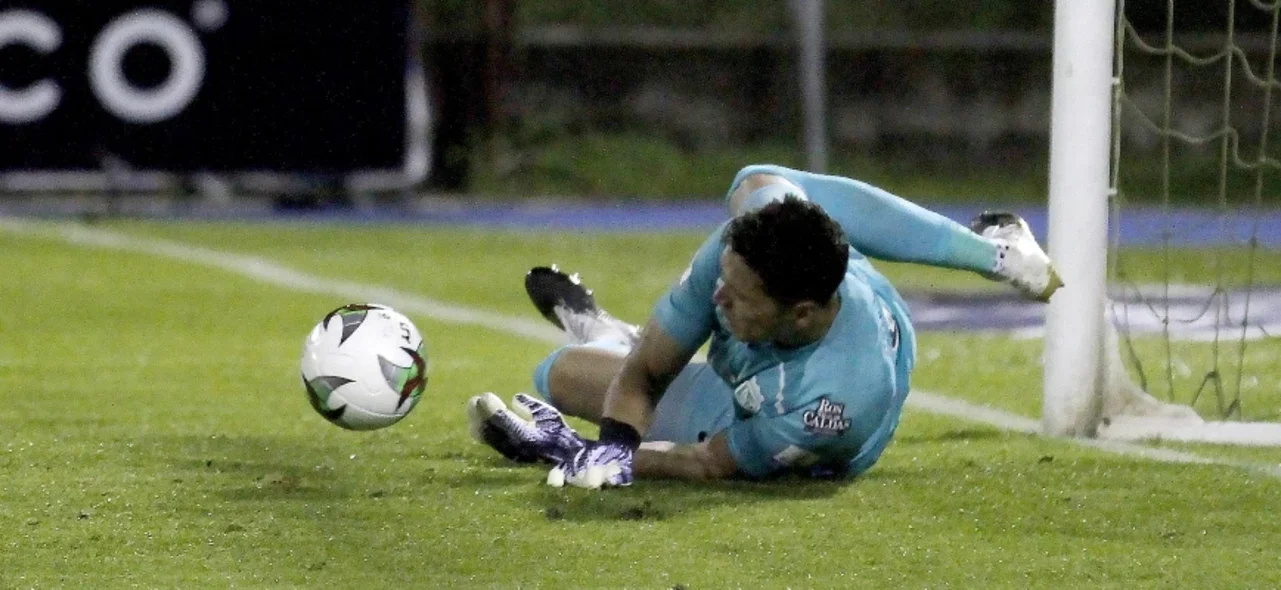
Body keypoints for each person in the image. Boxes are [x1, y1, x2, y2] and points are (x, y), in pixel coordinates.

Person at [467, 164, 1062, 489]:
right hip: (771, 344)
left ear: (801, 312)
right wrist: (617, 445)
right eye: (722, 280)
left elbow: (709, 462)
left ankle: (604, 332)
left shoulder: (835, 401)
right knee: (757, 183)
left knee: (576, 379)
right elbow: (646, 376)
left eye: (738, 297)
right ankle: (993, 254)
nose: (718, 295)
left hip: (764, 415)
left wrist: (584, 453)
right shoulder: (736, 256)